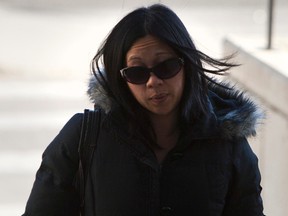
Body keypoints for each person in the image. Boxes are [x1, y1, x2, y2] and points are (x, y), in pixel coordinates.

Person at [22, 4, 265, 216]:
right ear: (121, 79)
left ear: (187, 65)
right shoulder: (83, 137)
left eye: (166, 66)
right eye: (137, 72)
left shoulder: (228, 146)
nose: (153, 82)